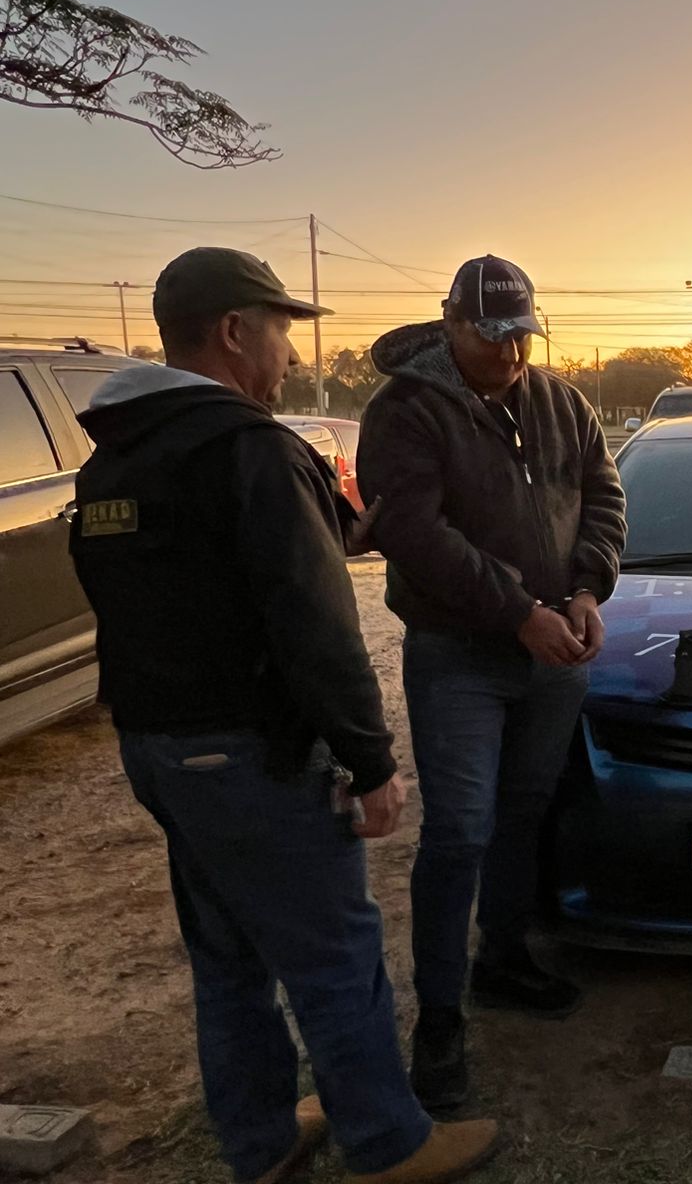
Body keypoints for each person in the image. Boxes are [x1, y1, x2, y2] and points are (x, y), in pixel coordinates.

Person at [68, 248, 498, 1184]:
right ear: (233, 332)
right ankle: (391, 1143)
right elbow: (315, 627)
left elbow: (181, 582)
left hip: (156, 748)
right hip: (253, 753)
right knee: (336, 950)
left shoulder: (118, 456)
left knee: (227, 956)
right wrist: (372, 762)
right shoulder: (251, 449)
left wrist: (326, 529)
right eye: (280, 332)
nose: (292, 358)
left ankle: (261, 1145)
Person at [359, 254, 626, 1113]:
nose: (512, 354)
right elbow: (411, 530)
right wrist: (518, 611)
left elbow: (603, 494)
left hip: (555, 651)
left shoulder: (562, 402)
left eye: (523, 335)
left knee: (523, 810)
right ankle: (439, 1018)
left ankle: (502, 958)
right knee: (461, 831)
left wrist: (587, 587)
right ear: (451, 323)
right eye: (492, 334)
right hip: (461, 657)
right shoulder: (405, 410)